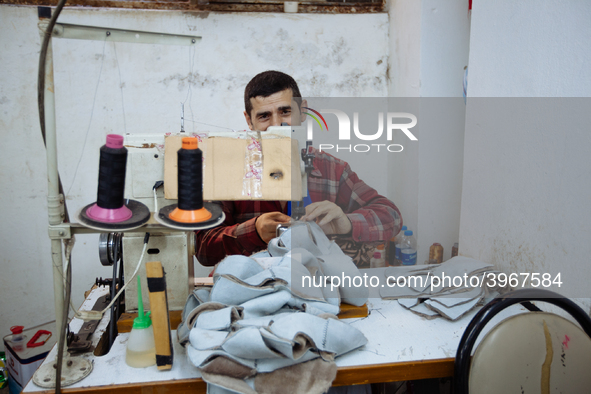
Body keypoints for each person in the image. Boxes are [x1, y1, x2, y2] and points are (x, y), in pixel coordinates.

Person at [195, 71, 402, 267]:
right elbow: (203, 248)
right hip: (253, 290)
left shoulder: (332, 170)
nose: (277, 125)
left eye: (285, 112)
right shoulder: (227, 172)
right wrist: (253, 231)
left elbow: (391, 216)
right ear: (249, 120)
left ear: (302, 111)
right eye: (264, 116)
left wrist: (346, 223)